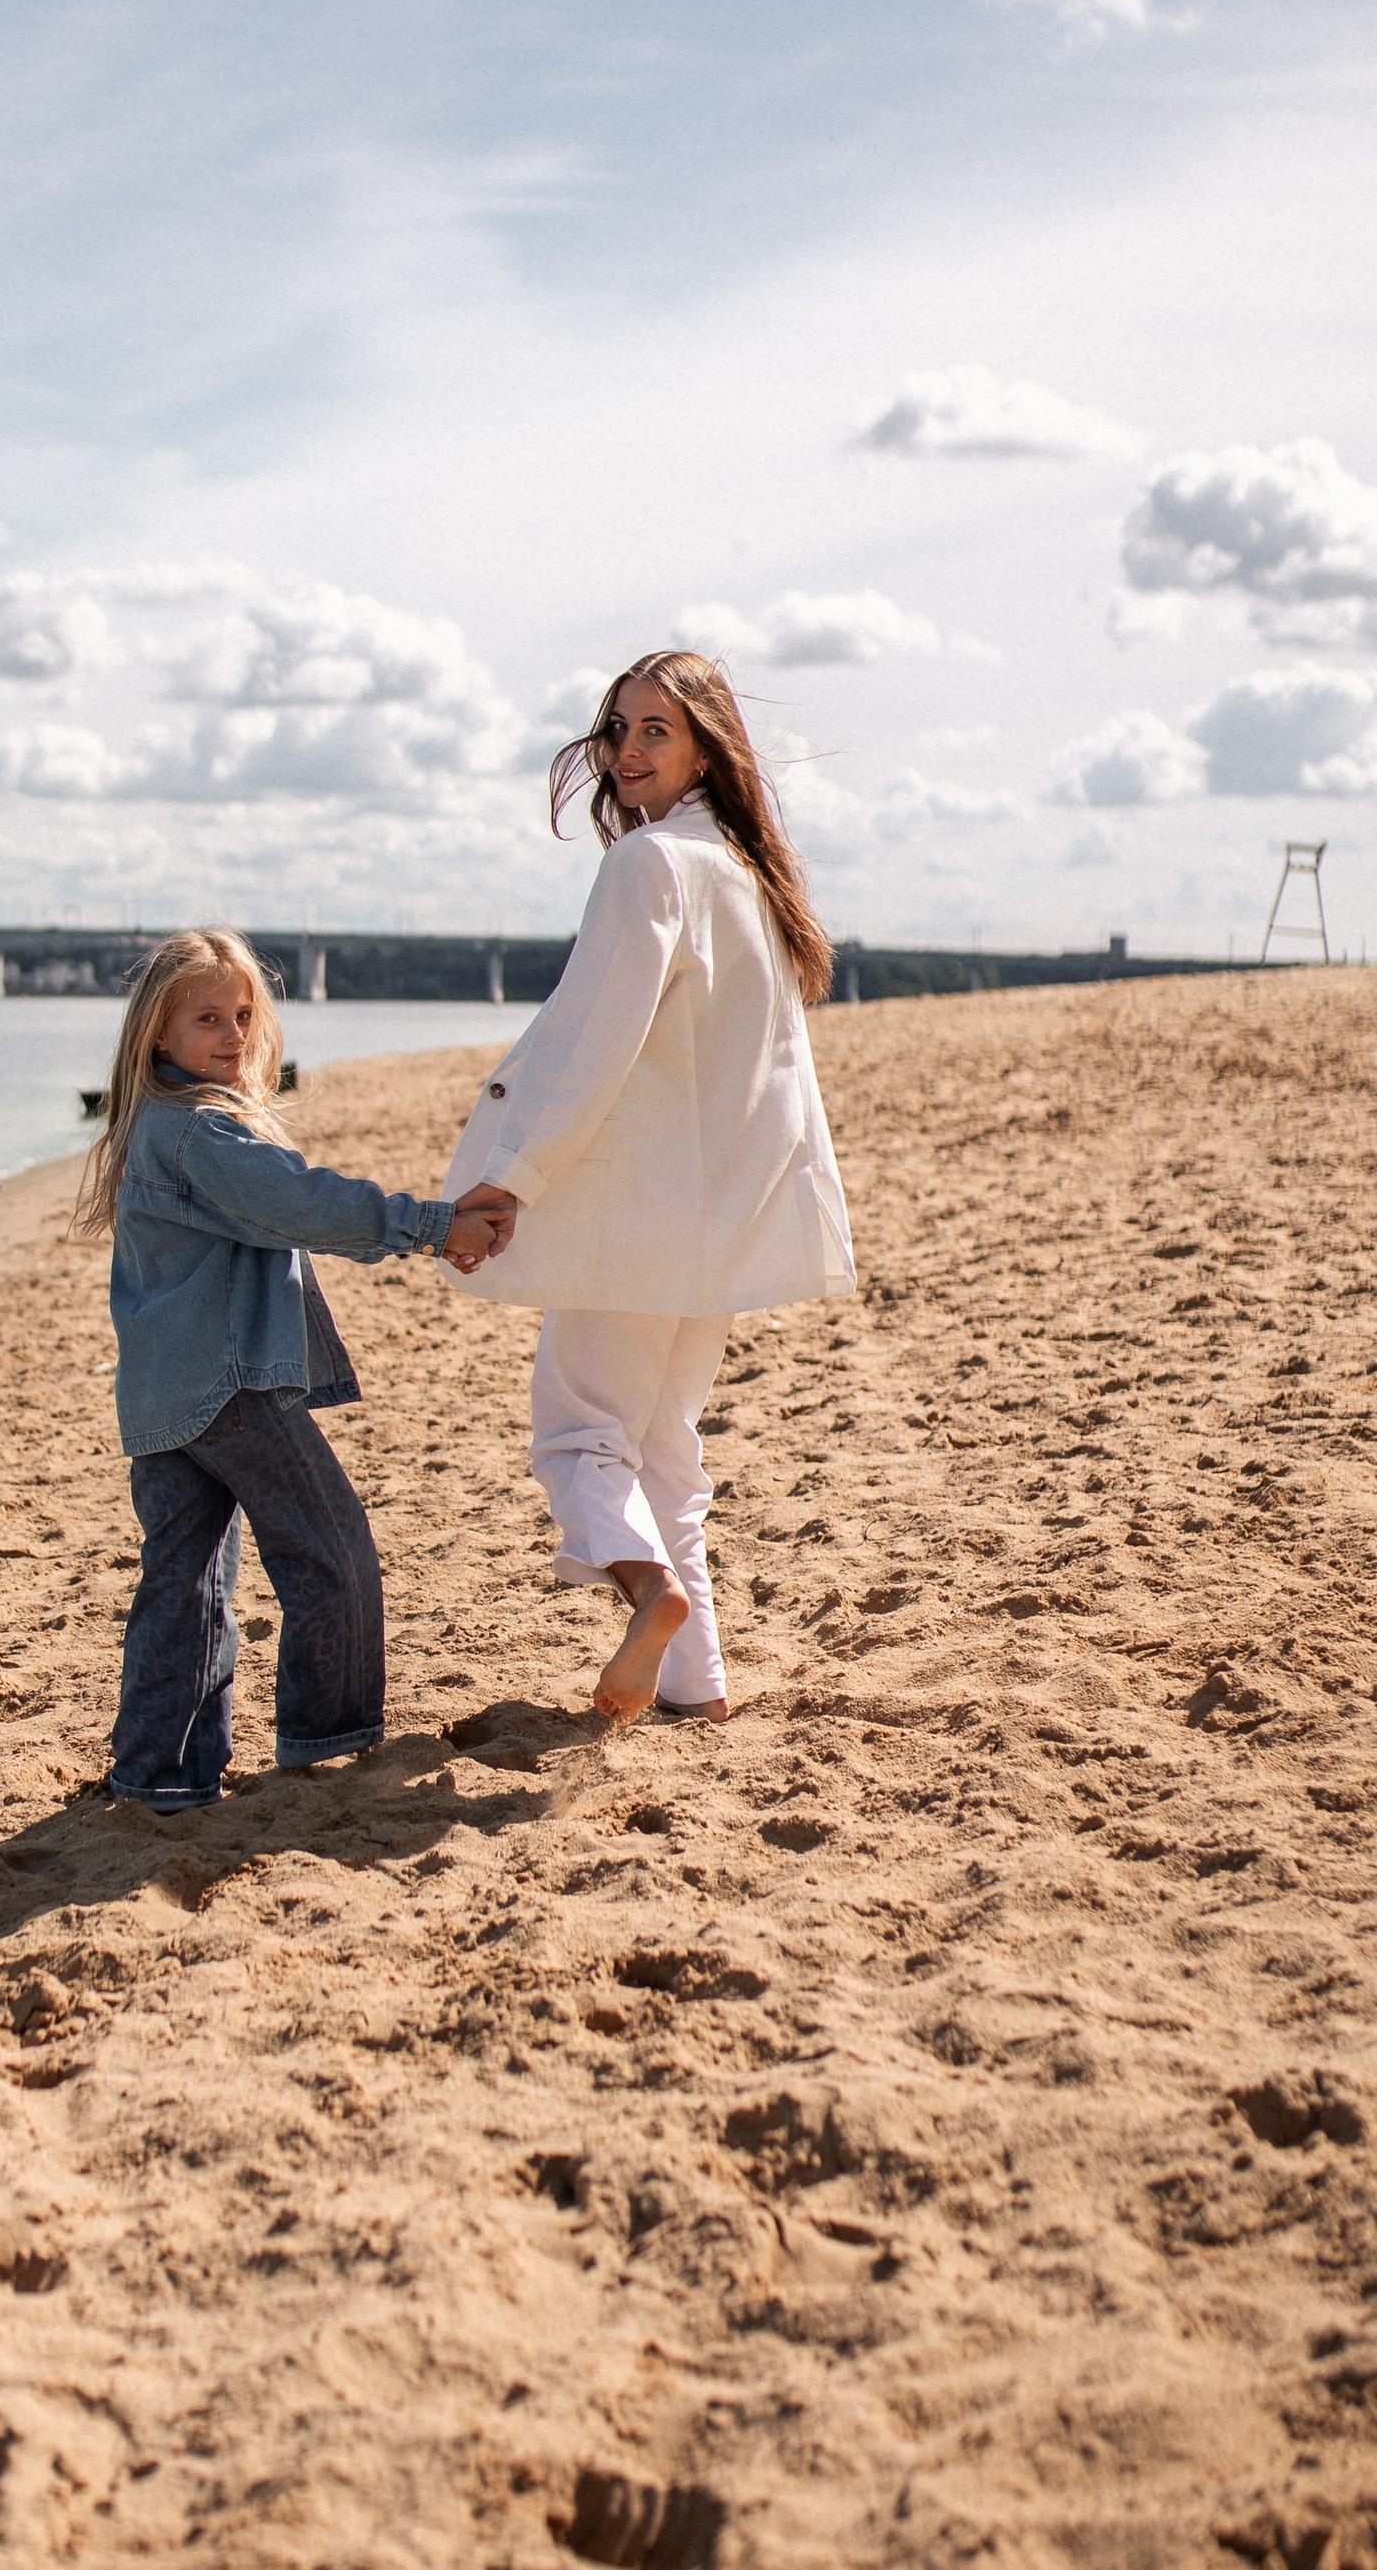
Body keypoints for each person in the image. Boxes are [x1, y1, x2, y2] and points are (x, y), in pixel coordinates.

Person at [441, 649, 854, 1724]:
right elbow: (776, 1074)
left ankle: (644, 1588)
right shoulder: (744, 871)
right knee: (667, 1448)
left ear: (708, 743)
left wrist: (510, 1182)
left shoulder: (652, 867)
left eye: (655, 729)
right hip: (716, 1229)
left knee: (580, 1433)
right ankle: (696, 1682)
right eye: (617, 727)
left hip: (638, 1218)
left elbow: (590, 1049)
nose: (626, 749)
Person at [77, 930, 518, 1814]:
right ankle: (327, 1746)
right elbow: (304, 1202)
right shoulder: (201, 1134)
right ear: (157, 1035)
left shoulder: (158, 1128)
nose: (233, 1034)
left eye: (243, 1014)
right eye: (207, 1018)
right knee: (332, 1550)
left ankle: (159, 1775)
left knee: (187, 1584)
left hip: (164, 1397)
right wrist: (431, 1223)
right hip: (224, 1388)